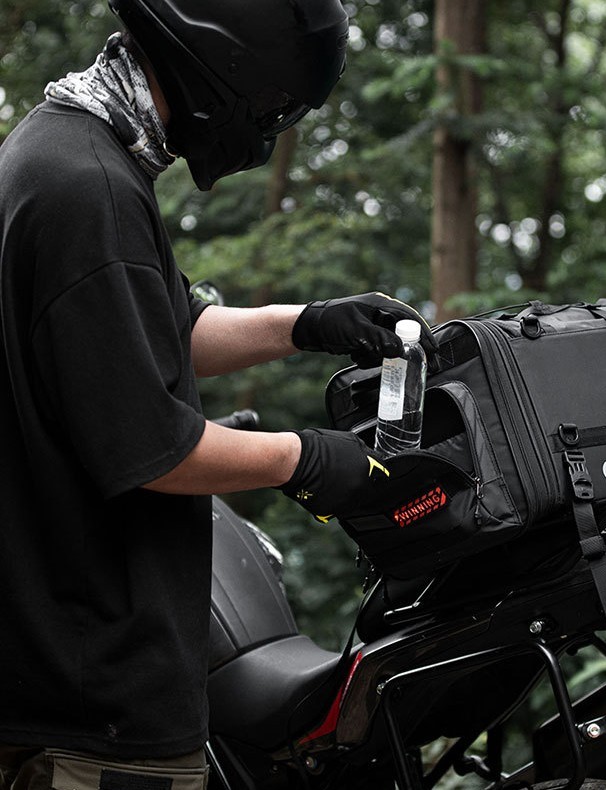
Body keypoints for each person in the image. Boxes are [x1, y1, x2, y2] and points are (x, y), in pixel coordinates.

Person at [0, 1, 437, 788]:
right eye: (277, 110)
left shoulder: (63, 145)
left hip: (57, 665)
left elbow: (151, 328)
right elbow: (152, 449)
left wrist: (305, 324)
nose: (269, 133)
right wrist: (310, 459)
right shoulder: (90, 188)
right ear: (234, 69)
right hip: (91, 702)